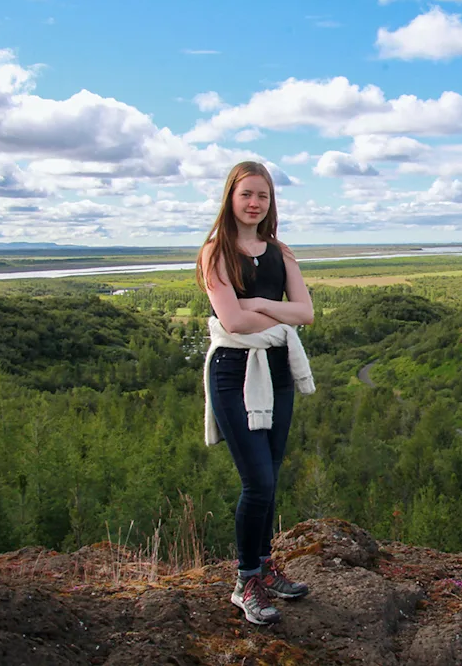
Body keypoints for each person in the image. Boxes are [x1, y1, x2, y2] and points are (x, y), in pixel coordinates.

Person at [196, 161, 315, 625]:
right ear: (230, 197)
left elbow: (305, 313)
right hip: (233, 372)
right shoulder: (216, 252)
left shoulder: (280, 252)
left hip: (277, 369)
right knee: (258, 482)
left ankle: (265, 567)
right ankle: (245, 582)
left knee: (272, 474)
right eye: (246, 193)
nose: (254, 203)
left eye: (262, 195)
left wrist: (262, 304)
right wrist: (278, 314)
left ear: (271, 201)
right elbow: (233, 321)